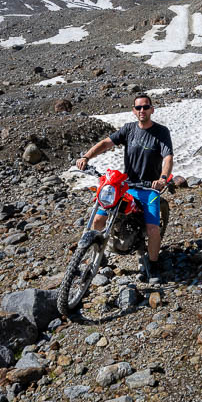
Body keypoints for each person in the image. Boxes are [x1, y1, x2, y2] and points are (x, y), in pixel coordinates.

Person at [75, 94, 173, 276]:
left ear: (152, 109)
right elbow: (106, 143)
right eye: (138, 108)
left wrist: (163, 178)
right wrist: (86, 156)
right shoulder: (128, 129)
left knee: (152, 228)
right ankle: (99, 253)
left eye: (145, 107)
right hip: (126, 186)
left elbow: (168, 157)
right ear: (133, 111)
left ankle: (153, 263)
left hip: (148, 188)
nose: (142, 110)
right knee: (98, 219)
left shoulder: (161, 132)